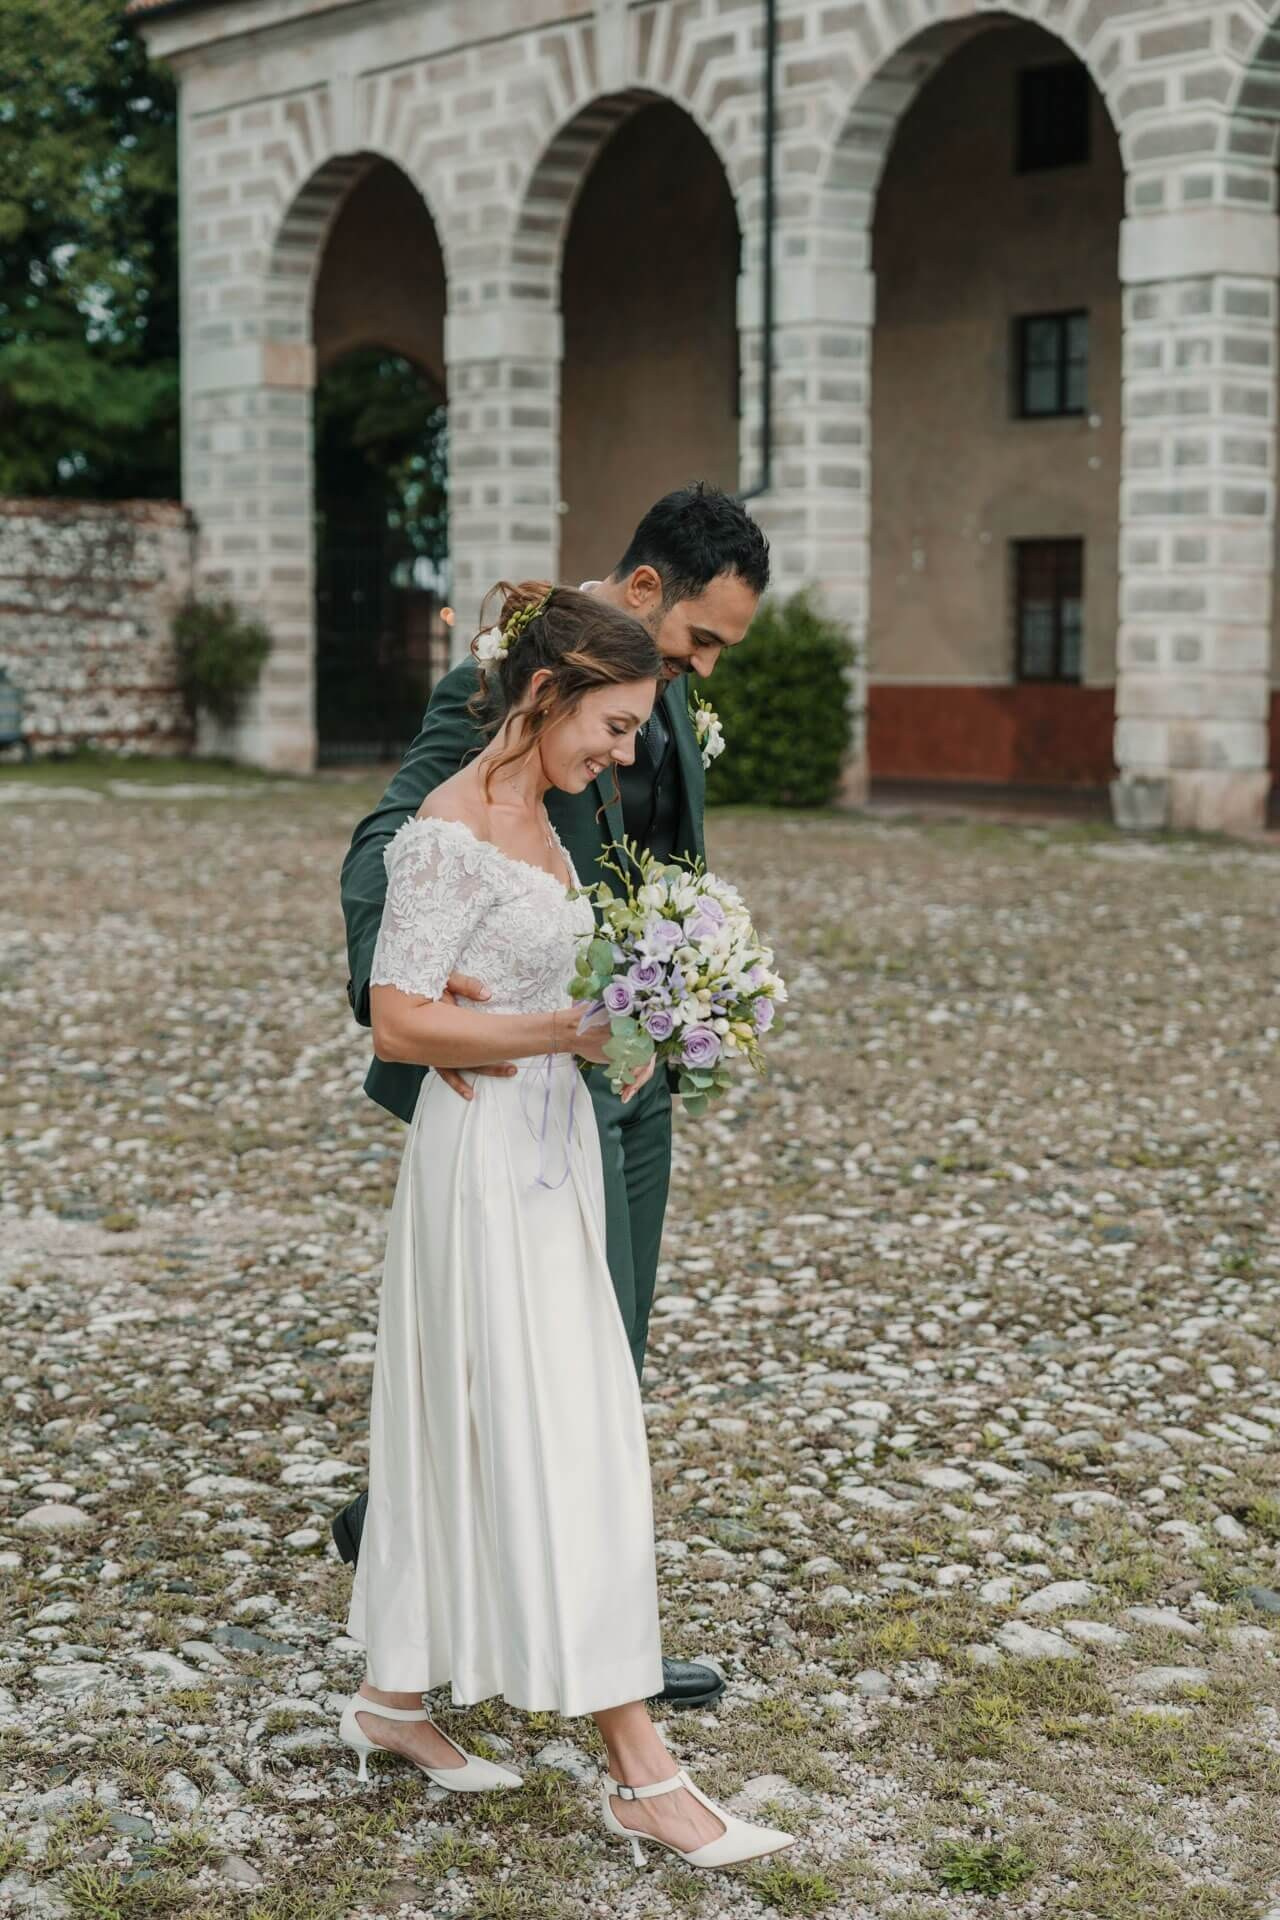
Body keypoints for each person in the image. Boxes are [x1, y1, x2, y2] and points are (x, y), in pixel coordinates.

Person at [340, 584, 793, 1873]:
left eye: (641, 727)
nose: (630, 750)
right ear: (545, 698)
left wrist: (642, 1028)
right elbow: (401, 1022)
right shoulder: (444, 833)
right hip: (484, 1165)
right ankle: (643, 1775)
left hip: (555, 1151)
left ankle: (392, 1697)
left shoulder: (551, 817)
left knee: (481, 1420)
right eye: (615, 723)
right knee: (566, 1428)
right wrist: (563, 1033)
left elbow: (548, 983)